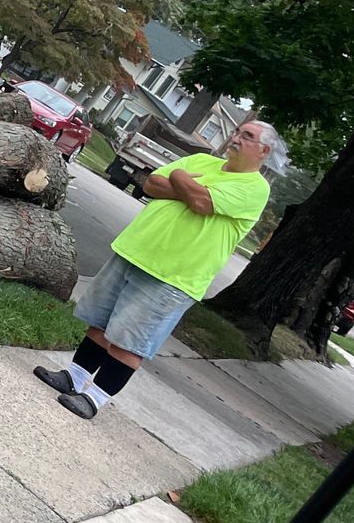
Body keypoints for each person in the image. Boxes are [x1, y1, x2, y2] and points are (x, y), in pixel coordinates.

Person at [36, 120, 277, 420]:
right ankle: (73, 377)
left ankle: (94, 398)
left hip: (173, 275)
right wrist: (186, 188)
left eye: (248, 136)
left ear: (263, 150)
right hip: (135, 251)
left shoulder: (255, 188)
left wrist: (177, 175)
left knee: (130, 340)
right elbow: (150, 184)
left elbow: (201, 202)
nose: (236, 138)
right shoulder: (203, 161)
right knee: (101, 323)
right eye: (238, 131)